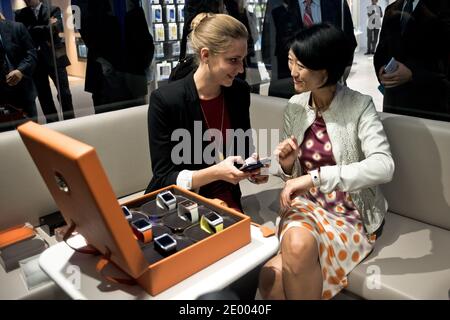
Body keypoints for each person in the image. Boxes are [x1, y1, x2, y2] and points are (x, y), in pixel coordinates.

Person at [258, 23, 395, 300]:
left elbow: (384, 165)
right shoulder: (295, 105)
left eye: (301, 65)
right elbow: (291, 179)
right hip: (306, 206)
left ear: (325, 70)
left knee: (280, 269)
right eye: (290, 62)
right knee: (270, 277)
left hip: (350, 214)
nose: (293, 72)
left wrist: (315, 178)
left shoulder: (360, 106)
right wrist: (287, 165)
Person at [146, 13, 267, 213]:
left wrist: (253, 169)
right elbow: (163, 177)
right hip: (179, 203)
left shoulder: (239, 92)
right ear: (205, 55)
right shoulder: (166, 100)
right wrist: (216, 172)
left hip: (225, 198)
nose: (240, 68)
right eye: (233, 60)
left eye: (243, 59)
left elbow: (243, 148)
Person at [374, 0, 450, 121]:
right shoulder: (391, 9)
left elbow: (444, 60)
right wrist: (381, 70)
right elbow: (381, 51)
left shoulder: (443, 8)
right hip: (393, 103)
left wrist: (413, 74)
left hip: (428, 105)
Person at [15, 0, 74, 123]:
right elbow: (23, 33)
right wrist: (46, 27)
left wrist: (34, 29)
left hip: (56, 57)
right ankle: (53, 123)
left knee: (65, 93)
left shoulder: (53, 9)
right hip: (36, 60)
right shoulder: (20, 14)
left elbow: (56, 28)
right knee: (43, 95)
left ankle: (70, 120)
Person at [271, 0, 357, 80]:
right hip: (294, 82)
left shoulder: (337, 3)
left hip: (331, 82)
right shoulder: (280, 7)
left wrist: (340, 74)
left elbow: (349, 40)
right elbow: (275, 47)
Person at [0, 18, 38, 125]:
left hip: (23, 90)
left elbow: (31, 54)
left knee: (32, 133)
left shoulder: (17, 27)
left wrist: (20, 71)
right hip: (2, 96)